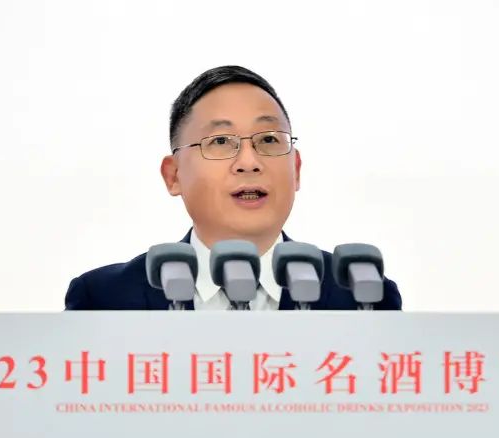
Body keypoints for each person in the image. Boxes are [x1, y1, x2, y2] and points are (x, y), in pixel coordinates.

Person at [64, 65, 402, 311]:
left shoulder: (362, 295)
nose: (249, 162)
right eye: (221, 141)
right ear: (173, 175)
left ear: (296, 169)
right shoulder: (105, 298)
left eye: (268, 140)